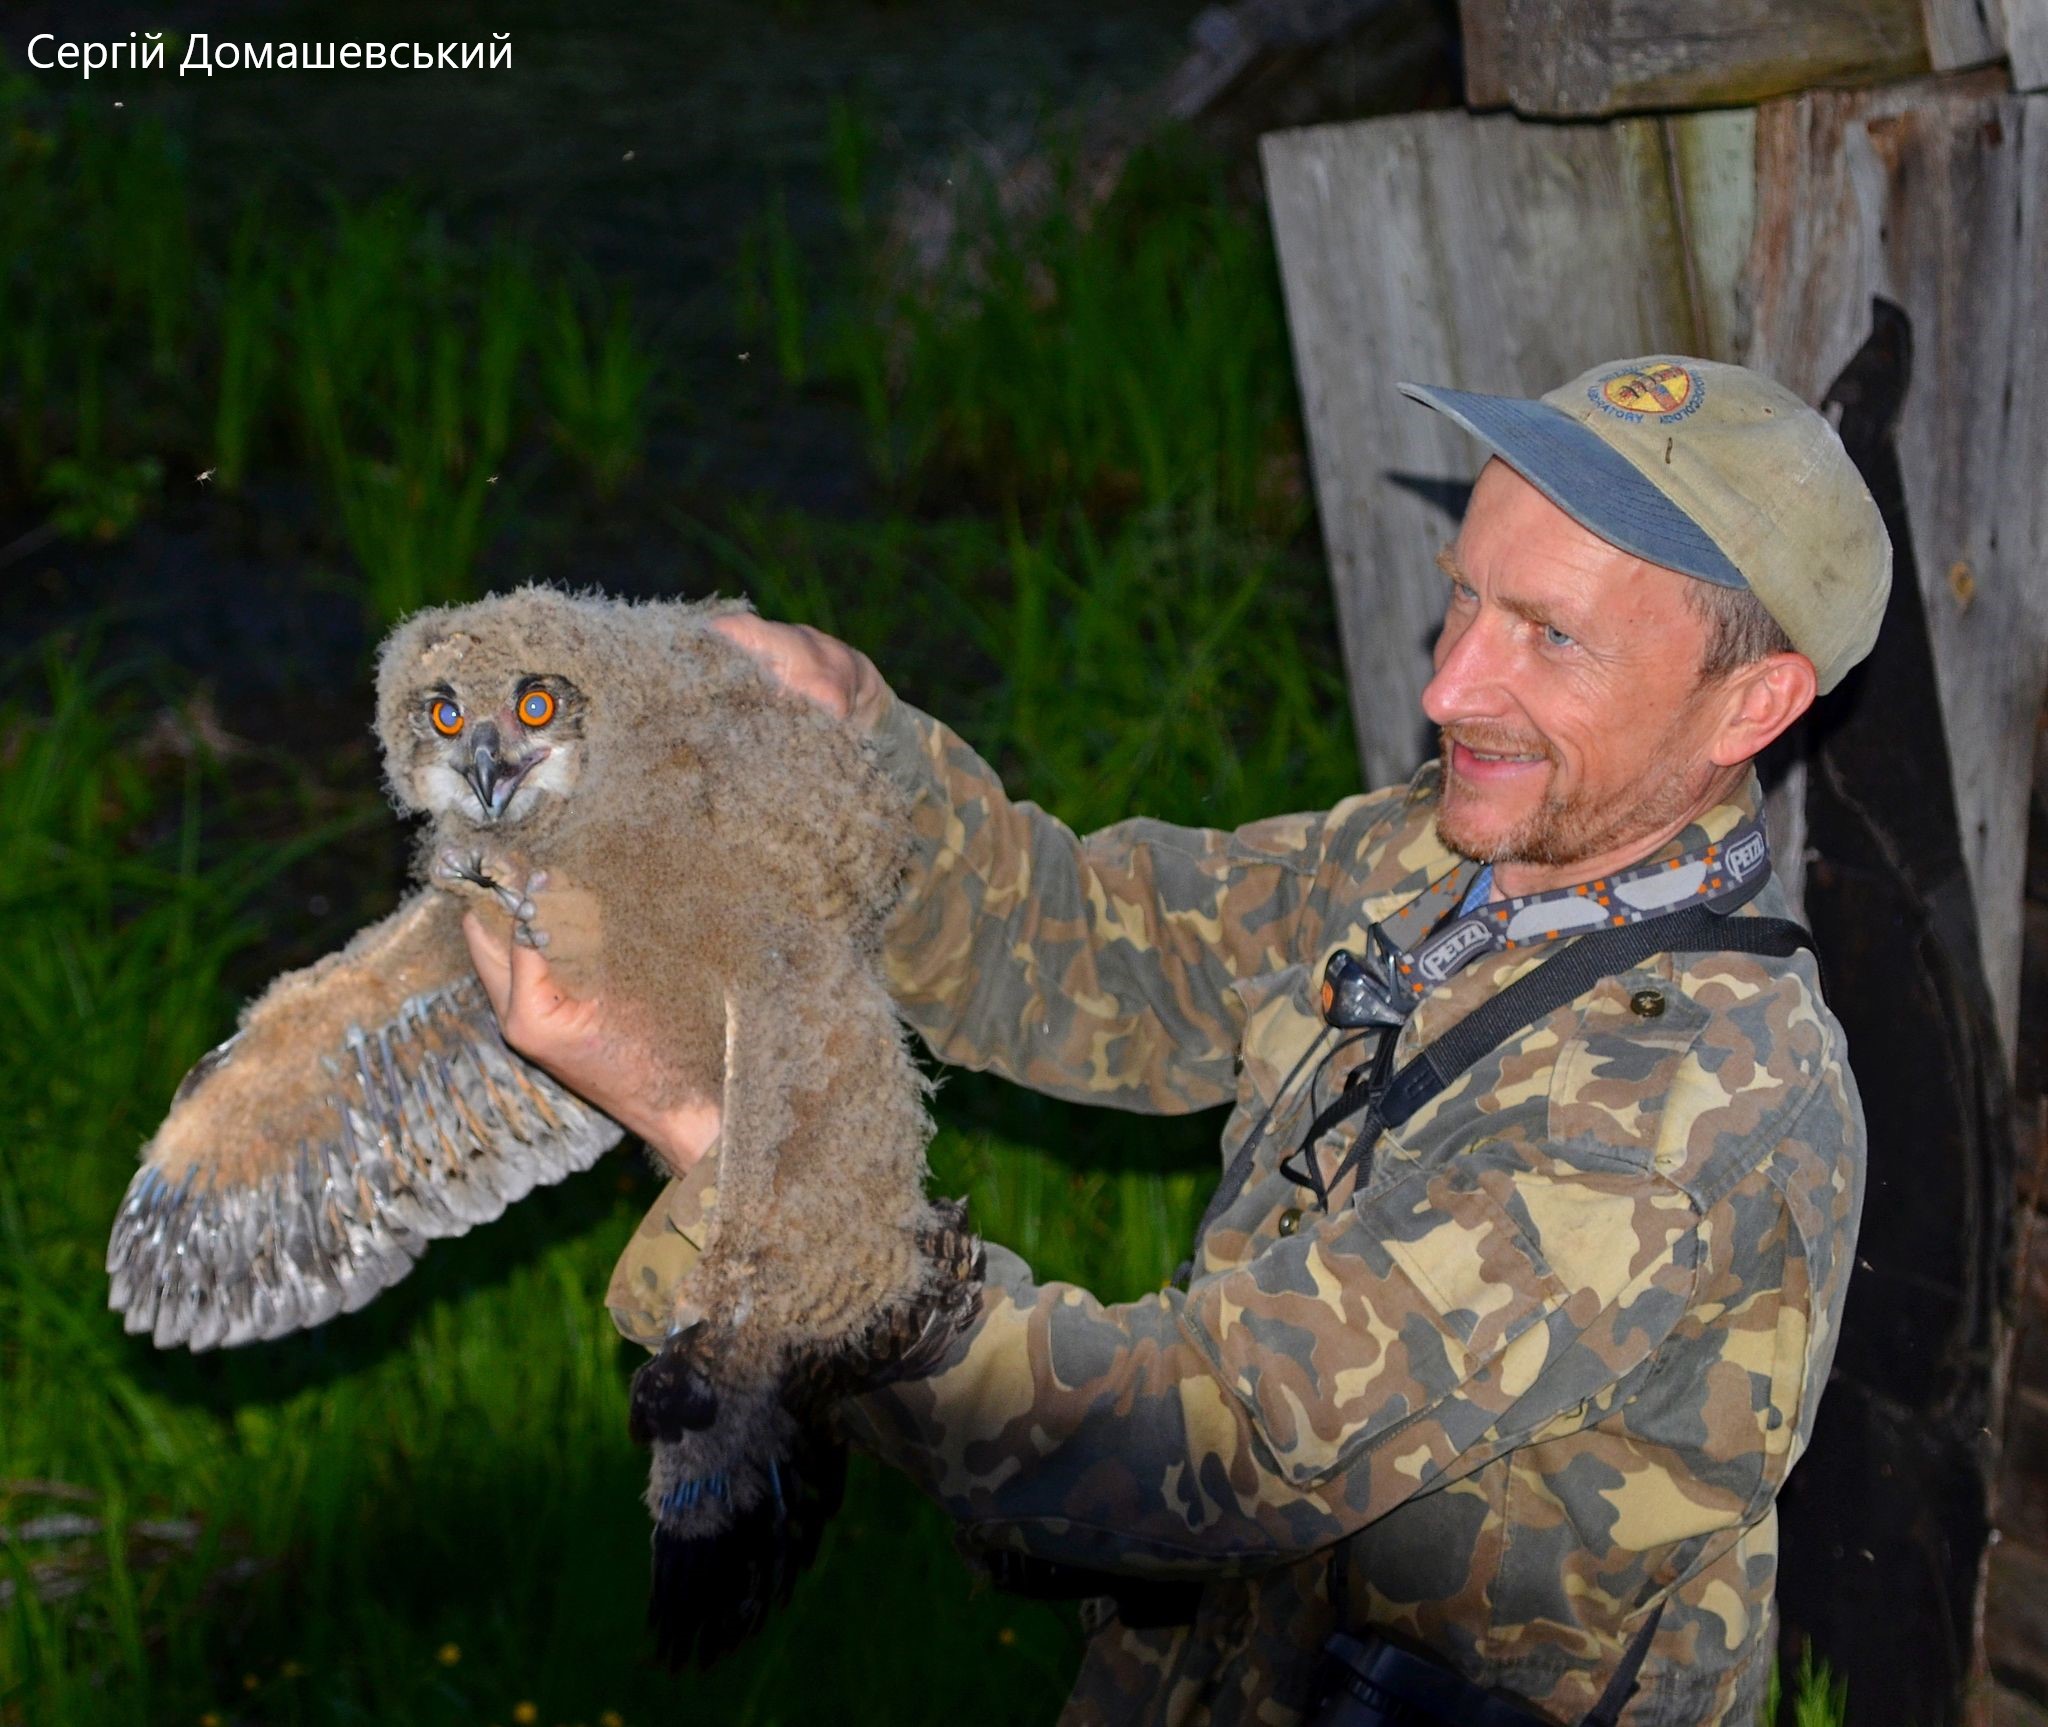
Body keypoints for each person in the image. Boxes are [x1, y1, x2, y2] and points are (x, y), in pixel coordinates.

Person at [462, 356, 1885, 1726]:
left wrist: (734, 1158)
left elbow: (1192, 1446)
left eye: (1549, 637)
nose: (1451, 686)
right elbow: (1084, 954)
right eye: (1463, 599)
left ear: (1752, 706)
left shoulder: (1688, 1110)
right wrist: (848, 739)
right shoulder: (1426, 857)